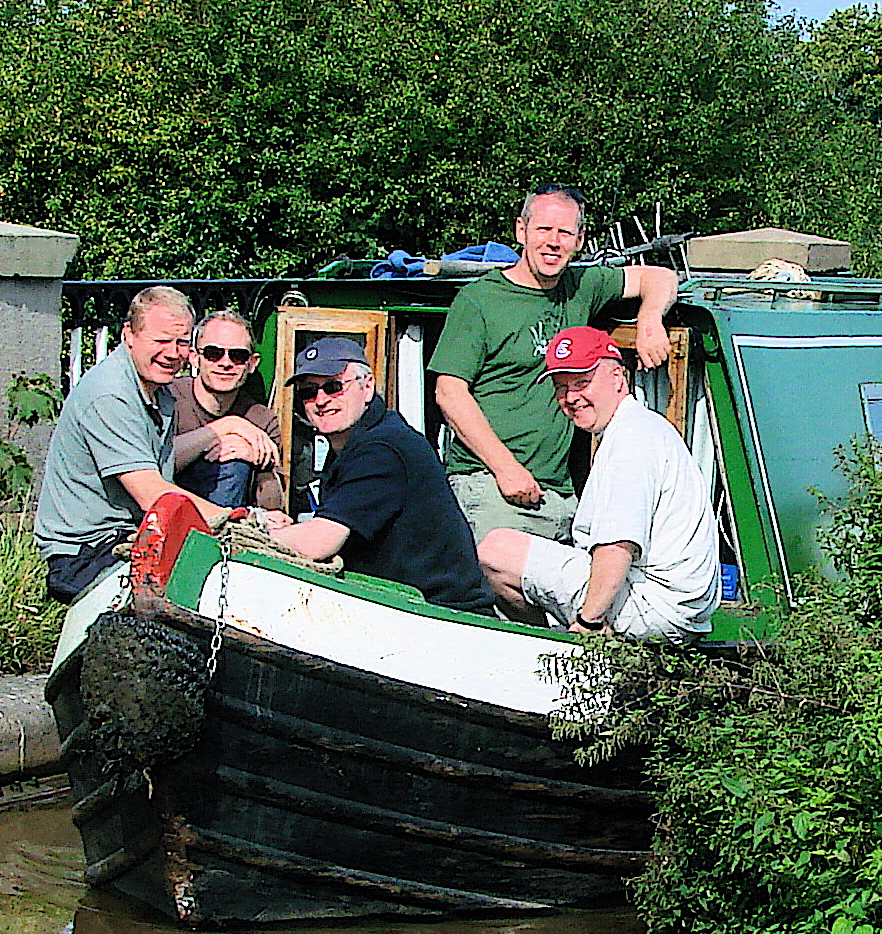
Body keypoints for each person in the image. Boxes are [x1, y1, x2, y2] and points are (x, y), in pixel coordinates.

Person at [428, 187, 678, 545]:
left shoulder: (582, 286)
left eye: (564, 233)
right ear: (521, 231)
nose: (553, 242)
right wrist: (506, 469)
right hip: (490, 486)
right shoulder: (479, 301)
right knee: (500, 585)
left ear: (579, 241)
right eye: (544, 230)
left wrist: (650, 319)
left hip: (560, 498)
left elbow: (660, 277)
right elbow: (449, 393)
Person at [475, 327, 716, 639]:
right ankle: (552, 639)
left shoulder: (631, 440)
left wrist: (589, 622)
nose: (571, 397)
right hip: (681, 609)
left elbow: (618, 546)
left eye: (582, 382)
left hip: (654, 607)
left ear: (617, 377)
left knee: (496, 551)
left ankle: (553, 646)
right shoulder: (641, 427)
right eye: (561, 387)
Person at [35, 285, 245, 603]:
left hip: (131, 532)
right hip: (87, 554)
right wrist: (233, 524)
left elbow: (160, 467)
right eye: (161, 341)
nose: (173, 353)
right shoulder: (110, 395)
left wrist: (223, 434)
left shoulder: (159, 390)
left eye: (182, 343)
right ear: (129, 336)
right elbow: (151, 494)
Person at [268, 338, 493, 613]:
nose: (321, 401)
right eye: (308, 393)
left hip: (441, 615)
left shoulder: (382, 449)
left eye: (333, 387)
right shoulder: (353, 444)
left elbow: (318, 543)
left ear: (367, 387)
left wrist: (258, 532)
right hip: (400, 606)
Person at [168, 309, 284, 512]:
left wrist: (259, 462)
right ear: (195, 358)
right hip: (166, 511)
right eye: (214, 353)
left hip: (230, 518)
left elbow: (273, 508)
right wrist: (226, 427)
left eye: (238, 356)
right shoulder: (169, 399)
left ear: (252, 364)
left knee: (235, 465)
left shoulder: (262, 419)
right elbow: (151, 466)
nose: (225, 363)